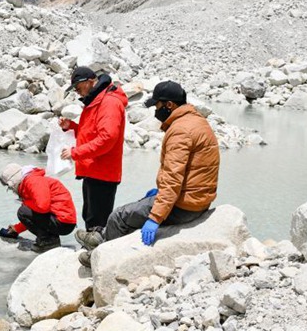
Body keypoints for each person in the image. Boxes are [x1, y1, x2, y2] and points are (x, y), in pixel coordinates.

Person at [76, 80, 220, 266]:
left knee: (119, 216)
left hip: (184, 205)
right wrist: (159, 192)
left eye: (157, 105)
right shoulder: (197, 121)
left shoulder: (180, 131)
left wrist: (155, 217)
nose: (155, 111)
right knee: (139, 205)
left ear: (169, 105)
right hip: (197, 199)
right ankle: (100, 238)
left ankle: (99, 255)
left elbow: (172, 178)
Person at [58, 66, 128, 240]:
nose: (77, 92)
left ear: (89, 82)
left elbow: (107, 138)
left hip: (103, 172)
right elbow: (90, 132)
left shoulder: (109, 102)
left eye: (78, 87)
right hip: (93, 170)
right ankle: (92, 252)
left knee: (98, 222)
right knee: (90, 217)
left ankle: (97, 257)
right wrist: (71, 127)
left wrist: (75, 152)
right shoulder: (97, 100)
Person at [0, 163, 77, 253]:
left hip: (63, 222)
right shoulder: (31, 180)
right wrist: (17, 229)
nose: (11, 190)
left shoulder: (32, 181)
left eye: (9, 187)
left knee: (22, 211)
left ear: (13, 181)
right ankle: (50, 240)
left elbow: (42, 207)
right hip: (63, 221)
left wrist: (25, 203)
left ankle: (48, 241)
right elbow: (36, 215)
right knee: (24, 210)